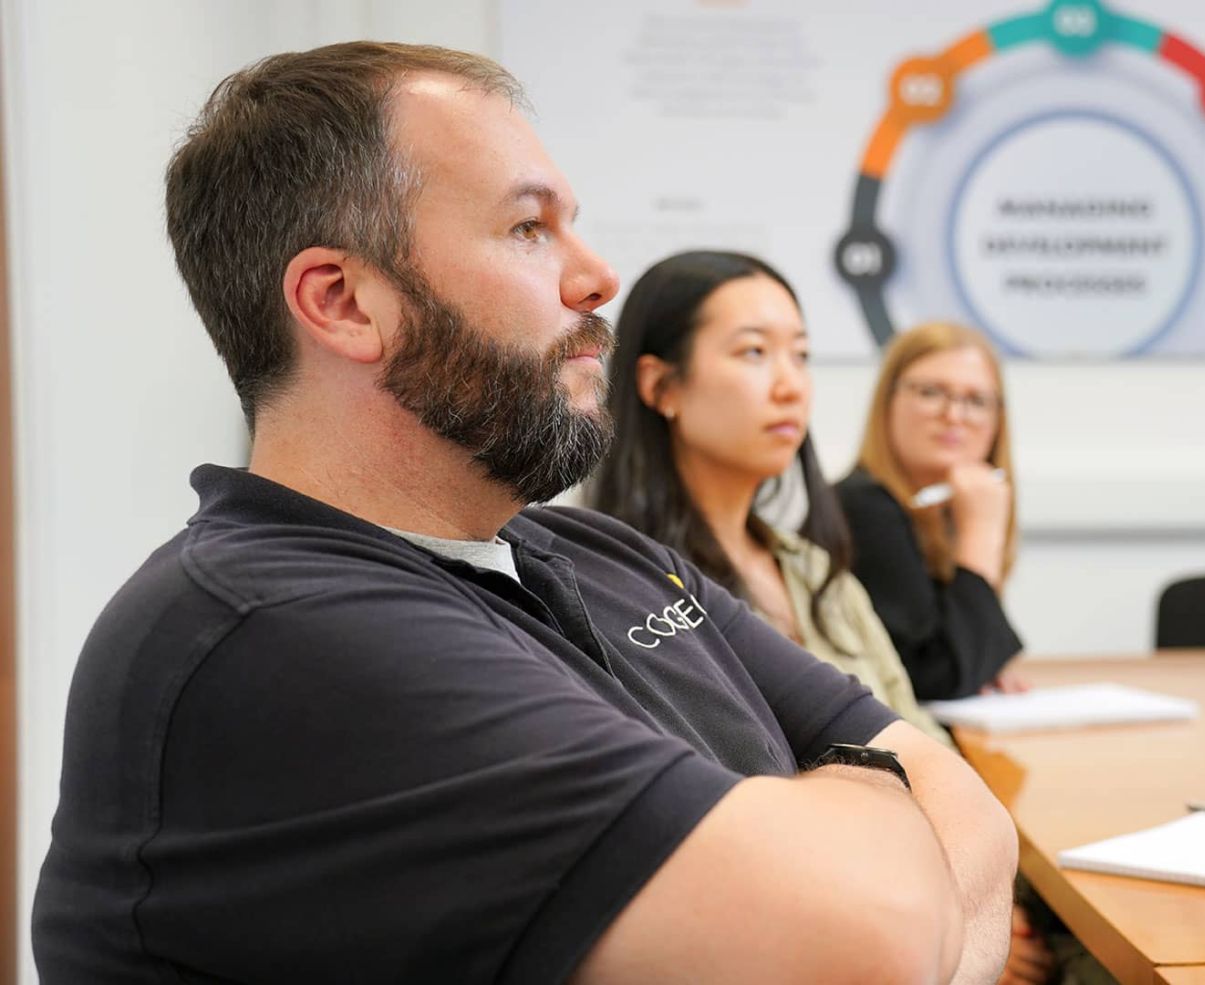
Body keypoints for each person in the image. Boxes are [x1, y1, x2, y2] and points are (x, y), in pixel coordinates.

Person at [31, 43, 1016, 984]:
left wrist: (862, 852)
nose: (596, 277)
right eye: (527, 228)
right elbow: (865, 941)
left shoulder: (592, 549)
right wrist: (881, 799)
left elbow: (967, 815)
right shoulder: (272, 628)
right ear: (342, 302)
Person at [591, 251, 951, 745]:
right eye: (754, 352)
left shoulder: (816, 572)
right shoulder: (615, 589)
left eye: (800, 356)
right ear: (660, 386)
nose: (791, 387)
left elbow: (922, 735)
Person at [837, 322, 1026, 702]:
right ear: (888, 401)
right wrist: (981, 536)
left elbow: (954, 661)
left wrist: (982, 660)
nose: (954, 415)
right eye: (931, 392)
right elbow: (936, 679)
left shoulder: (944, 510)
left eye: (976, 401)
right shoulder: (864, 506)